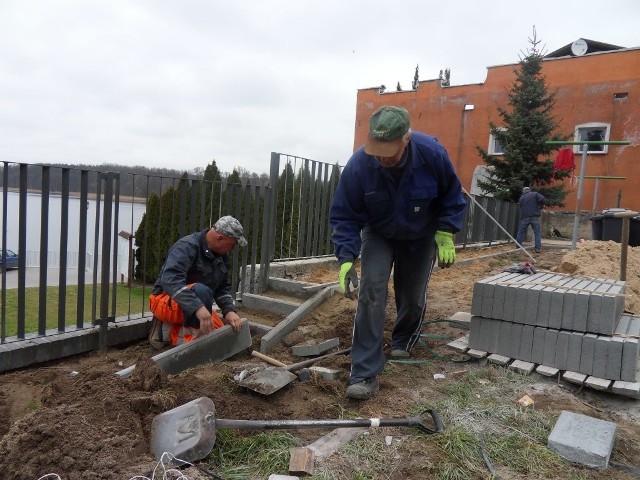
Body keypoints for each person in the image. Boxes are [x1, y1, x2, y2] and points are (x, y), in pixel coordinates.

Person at [329, 106, 467, 400]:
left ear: (406, 139)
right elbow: (344, 215)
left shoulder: (431, 154)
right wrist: (345, 259)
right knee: (371, 290)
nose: (381, 156)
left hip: (421, 233)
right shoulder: (359, 165)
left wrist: (445, 232)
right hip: (379, 232)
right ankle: (364, 370)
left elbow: (453, 196)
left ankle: (403, 337)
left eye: (388, 150)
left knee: (413, 294)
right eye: (377, 149)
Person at [148, 215, 247, 349]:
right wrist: (198, 307)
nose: (233, 249)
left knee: (221, 337)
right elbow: (170, 280)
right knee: (201, 292)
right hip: (164, 300)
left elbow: (223, 287)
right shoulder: (187, 246)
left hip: (196, 305)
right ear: (220, 238)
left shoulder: (221, 256)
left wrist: (229, 310)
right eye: (233, 244)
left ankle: (181, 333)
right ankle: (189, 345)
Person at [515, 186, 546, 253]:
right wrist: (541, 205)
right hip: (535, 216)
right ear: (529, 190)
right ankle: (537, 248)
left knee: (521, 232)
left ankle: (518, 247)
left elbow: (521, 206)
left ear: (523, 191)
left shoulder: (521, 198)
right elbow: (542, 199)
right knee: (537, 232)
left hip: (525, 217)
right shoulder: (535, 194)